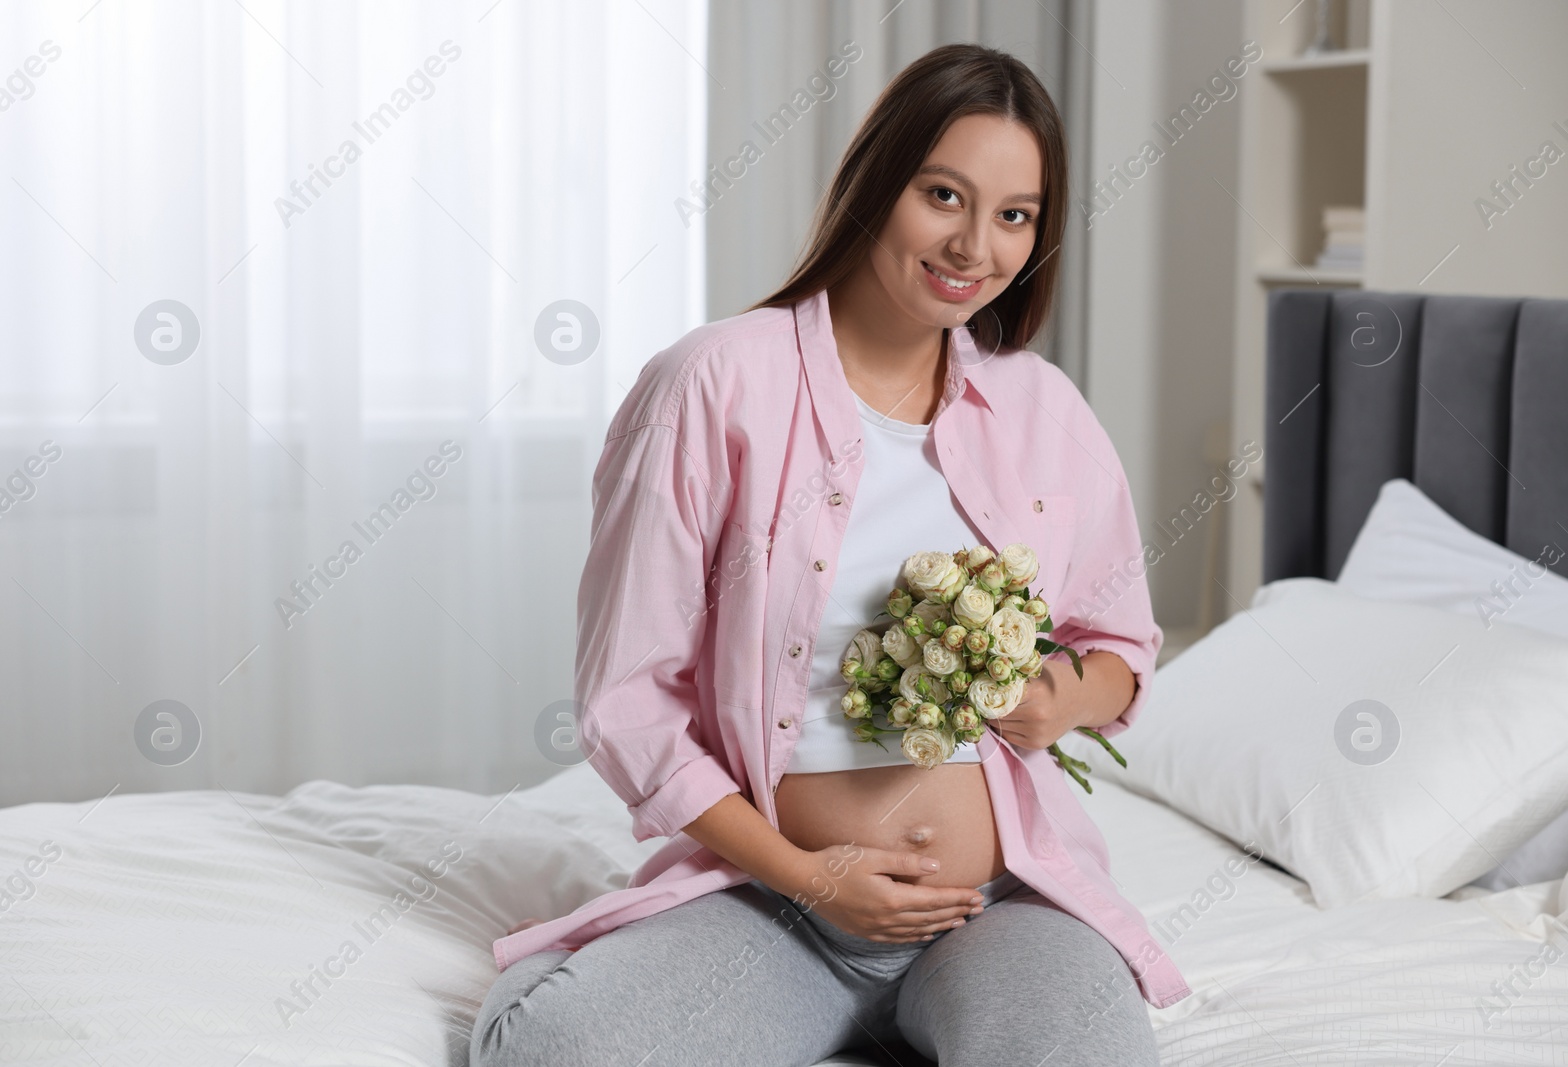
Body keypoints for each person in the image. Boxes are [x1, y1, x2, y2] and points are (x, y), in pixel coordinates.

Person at [471, 42, 1187, 1067]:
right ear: (873, 182)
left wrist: (1051, 700)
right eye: (943, 194)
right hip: (780, 905)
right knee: (551, 1048)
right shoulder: (710, 384)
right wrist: (811, 878)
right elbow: (628, 700)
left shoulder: (1041, 408)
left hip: (993, 906)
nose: (974, 245)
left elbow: (1118, 642)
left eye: (1015, 215)